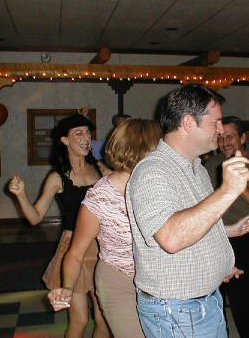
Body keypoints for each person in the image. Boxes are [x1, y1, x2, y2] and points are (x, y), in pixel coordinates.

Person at [127, 83, 249, 338]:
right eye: (216, 122)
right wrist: (227, 191)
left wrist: (222, 252)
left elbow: (197, 222)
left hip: (203, 301)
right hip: (176, 309)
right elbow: (171, 238)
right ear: (187, 123)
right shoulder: (153, 172)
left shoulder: (197, 168)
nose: (221, 129)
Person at [48, 118, 162, 338]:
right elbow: (75, 253)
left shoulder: (158, 185)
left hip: (157, 277)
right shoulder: (100, 196)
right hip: (118, 278)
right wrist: (67, 287)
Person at [9, 114, 110, 338]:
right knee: (80, 319)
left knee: (105, 320)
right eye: (79, 133)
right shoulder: (58, 177)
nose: (86, 138)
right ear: (65, 140)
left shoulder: (102, 170)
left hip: (103, 248)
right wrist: (21, 195)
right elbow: (35, 217)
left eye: (87, 133)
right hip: (74, 248)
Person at [205, 115, 249, 338]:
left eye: (231, 136)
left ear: (243, 138)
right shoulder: (212, 165)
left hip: (246, 236)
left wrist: (239, 186)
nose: (225, 142)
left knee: (242, 301)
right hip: (215, 236)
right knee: (214, 300)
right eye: (221, 137)